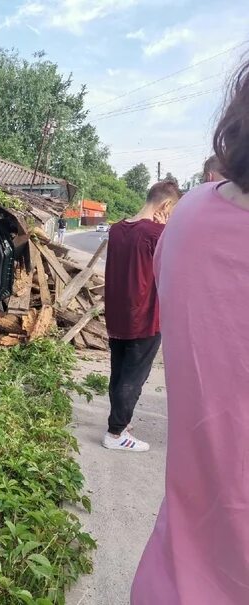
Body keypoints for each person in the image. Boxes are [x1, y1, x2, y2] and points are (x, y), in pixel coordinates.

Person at [131, 59, 249, 603]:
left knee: (127, 380)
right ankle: (115, 429)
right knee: (127, 381)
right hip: (135, 321)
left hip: (170, 581)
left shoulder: (188, 220)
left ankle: (117, 425)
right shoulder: (162, 228)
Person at [103, 180, 181, 452]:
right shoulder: (156, 232)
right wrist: (167, 227)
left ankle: (119, 424)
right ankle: (115, 434)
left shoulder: (116, 229)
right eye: (173, 211)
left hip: (117, 314)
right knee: (133, 378)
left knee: (119, 372)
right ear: (166, 205)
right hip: (145, 316)